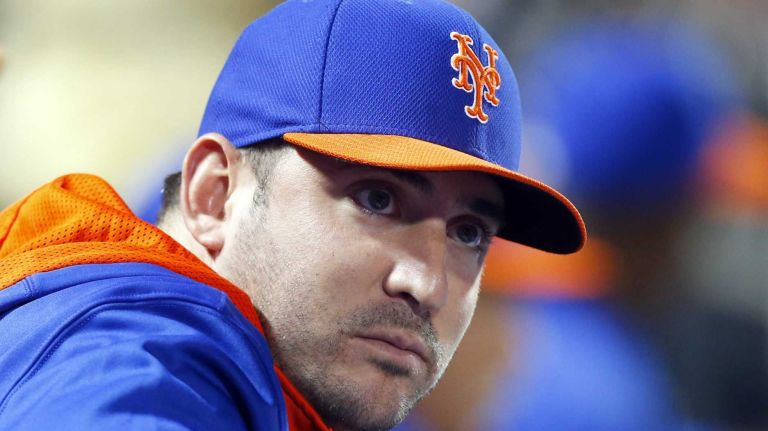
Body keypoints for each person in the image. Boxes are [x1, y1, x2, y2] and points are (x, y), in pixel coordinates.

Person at [0, 1, 585, 430]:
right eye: (377, 199)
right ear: (214, 194)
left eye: (468, 233)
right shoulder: (138, 365)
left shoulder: (277, 386)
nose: (427, 282)